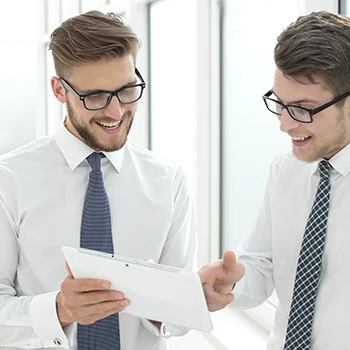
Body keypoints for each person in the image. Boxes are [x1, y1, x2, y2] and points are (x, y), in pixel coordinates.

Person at [0, 10, 197, 350]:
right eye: (95, 97)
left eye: (127, 90)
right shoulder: (10, 179)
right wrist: (58, 310)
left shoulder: (168, 180)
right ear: (59, 91)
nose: (116, 112)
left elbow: (179, 321)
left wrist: (178, 299)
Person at [199, 11, 350, 350]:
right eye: (280, 104)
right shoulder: (286, 170)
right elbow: (263, 267)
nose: (284, 125)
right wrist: (234, 281)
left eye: (302, 109)